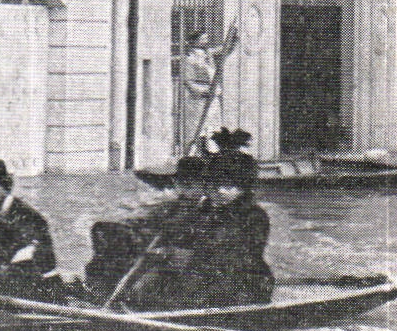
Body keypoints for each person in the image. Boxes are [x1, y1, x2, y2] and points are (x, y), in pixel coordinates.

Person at [92, 130, 274, 310]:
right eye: (215, 185)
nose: (220, 191)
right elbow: (181, 237)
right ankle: (110, 296)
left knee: (176, 289)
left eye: (229, 186)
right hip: (200, 274)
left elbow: (238, 257)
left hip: (242, 282)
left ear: (244, 187)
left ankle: (142, 307)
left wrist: (186, 257)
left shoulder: (254, 217)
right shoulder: (203, 211)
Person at [0, 159, 65, 303]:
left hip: (42, 294)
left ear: (6, 188)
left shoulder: (29, 217)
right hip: (7, 290)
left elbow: (29, 261)